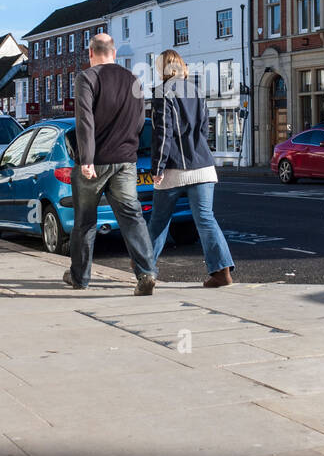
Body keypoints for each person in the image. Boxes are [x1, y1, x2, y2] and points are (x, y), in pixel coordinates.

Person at [68, 32, 157, 295]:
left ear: (90, 54)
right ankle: (146, 273)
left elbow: (84, 120)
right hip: (126, 161)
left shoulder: (86, 77)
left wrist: (87, 159)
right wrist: (128, 145)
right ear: (114, 53)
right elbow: (141, 121)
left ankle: (80, 278)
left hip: (94, 163)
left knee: (85, 221)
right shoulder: (132, 79)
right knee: (132, 217)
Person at [147, 50, 236, 286]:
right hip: (203, 166)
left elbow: (162, 134)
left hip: (175, 169)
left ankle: (145, 270)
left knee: (159, 221)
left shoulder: (161, 93)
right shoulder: (197, 92)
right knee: (206, 219)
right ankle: (221, 271)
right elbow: (204, 131)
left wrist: (157, 167)